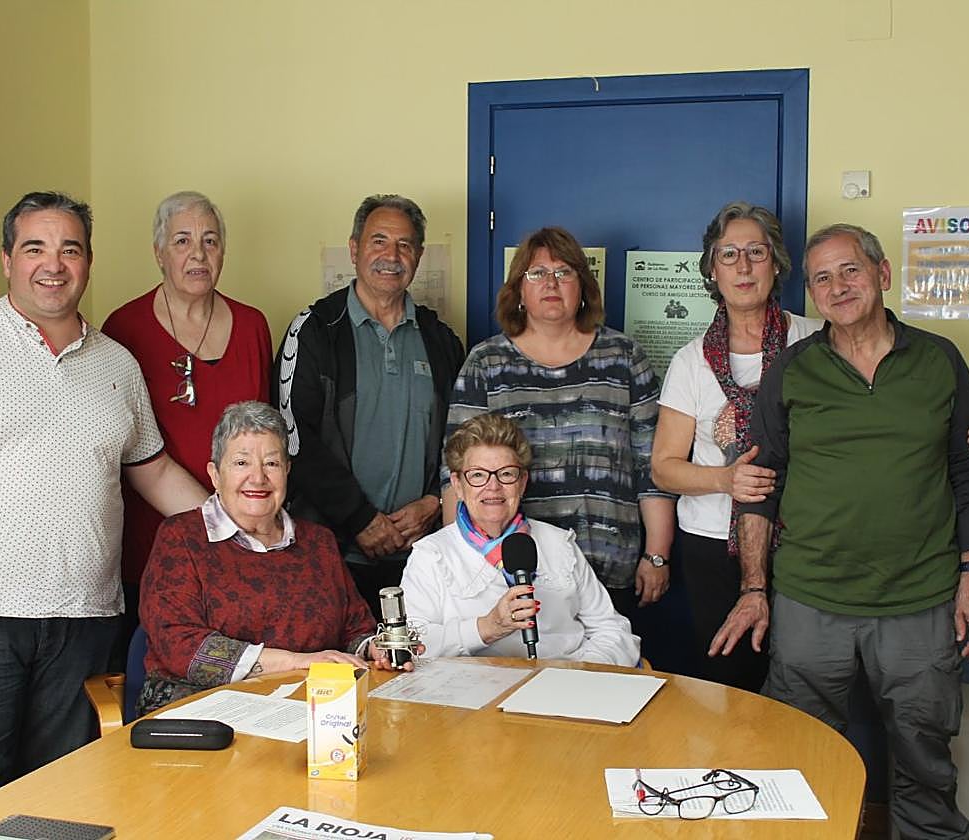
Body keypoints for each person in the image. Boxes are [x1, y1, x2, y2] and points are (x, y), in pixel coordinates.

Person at [0, 192, 210, 821]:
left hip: (84, 619)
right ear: (7, 260)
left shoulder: (116, 363)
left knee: (65, 799)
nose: (53, 265)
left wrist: (240, 525)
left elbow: (156, 472)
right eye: (35, 248)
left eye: (69, 249)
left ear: (88, 263)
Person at [711, 223, 969, 839]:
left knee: (926, 762)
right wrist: (754, 589)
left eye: (850, 271)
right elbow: (759, 488)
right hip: (811, 600)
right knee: (798, 762)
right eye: (822, 278)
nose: (837, 287)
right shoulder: (792, 370)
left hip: (921, 600)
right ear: (811, 294)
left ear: (882, 274)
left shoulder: (940, 359)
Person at [653, 202, 969, 692]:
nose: (743, 266)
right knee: (736, 686)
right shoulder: (692, 361)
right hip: (719, 540)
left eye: (756, 252)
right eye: (728, 254)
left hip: (805, 544)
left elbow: (903, 430)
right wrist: (727, 480)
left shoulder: (814, 338)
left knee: (839, 688)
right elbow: (664, 468)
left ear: (777, 264)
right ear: (712, 269)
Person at [444, 227, 677, 664]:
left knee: (603, 683)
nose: (550, 283)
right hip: (511, 571)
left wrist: (658, 555)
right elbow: (456, 472)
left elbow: (653, 467)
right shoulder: (486, 363)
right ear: (518, 290)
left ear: (583, 287)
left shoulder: (624, 357)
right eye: (536, 273)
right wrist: (457, 566)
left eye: (564, 272)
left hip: (609, 563)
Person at [138, 401, 412, 715]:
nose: (258, 478)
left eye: (271, 463)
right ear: (215, 474)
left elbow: (355, 629)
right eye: (241, 463)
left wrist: (378, 649)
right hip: (199, 711)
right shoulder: (181, 538)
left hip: (308, 707)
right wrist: (297, 662)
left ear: (287, 471)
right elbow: (179, 644)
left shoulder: (318, 543)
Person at [275, 194, 464, 615]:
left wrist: (434, 501)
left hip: (422, 561)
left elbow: (463, 442)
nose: (391, 256)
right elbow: (292, 438)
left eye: (404, 245)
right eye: (378, 241)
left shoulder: (442, 341)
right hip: (330, 559)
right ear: (354, 249)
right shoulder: (315, 331)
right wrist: (360, 518)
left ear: (418, 256)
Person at [102, 190, 271, 648]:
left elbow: (265, 436)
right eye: (182, 241)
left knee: (237, 664)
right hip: (154, 540)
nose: (198, 254)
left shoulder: (253, 325)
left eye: (210, 241)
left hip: (241, 539)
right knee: (153, 660)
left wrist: (247, 525)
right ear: (159, 252)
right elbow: (124, 447)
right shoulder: (123, 328)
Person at [401, 414, 640, 665]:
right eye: (478, 475)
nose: (493, 487)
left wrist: (583, 674)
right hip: (476, 686)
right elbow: (412, 644)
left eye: (506, 474)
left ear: (522, 482)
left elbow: (613, 631)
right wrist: (487, 627)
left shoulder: (559, 543)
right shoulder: (431, 554)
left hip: (568, 679)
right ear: (458, 485)